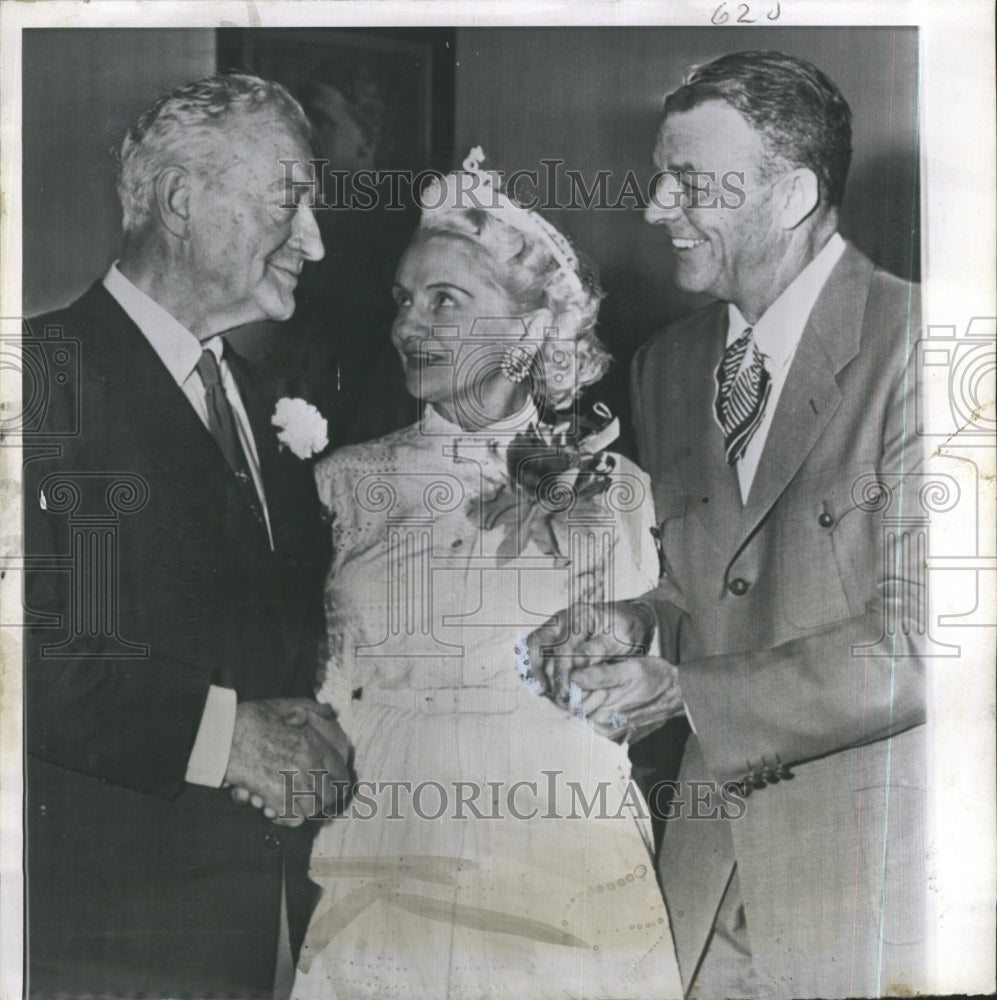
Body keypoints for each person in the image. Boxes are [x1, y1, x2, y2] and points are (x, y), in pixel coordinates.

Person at [528, 51, 927, 998]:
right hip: (701, 883)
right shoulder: (667, 365)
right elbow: (705, 591)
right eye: (658, 178)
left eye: (690, 183)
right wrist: (634, 623)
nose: (655, 207)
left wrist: (687, 697)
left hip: (872, 896)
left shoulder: (926, 345)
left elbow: (924, 642)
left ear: (789, 195)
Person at [291, 150, 683, 1000]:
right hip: (383, 857)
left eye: (445, 301)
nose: (408, 325)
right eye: (403, 300)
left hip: (560, 869)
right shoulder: (338, 484)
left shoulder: (617, 493)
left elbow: (653, 685)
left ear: (531, 328)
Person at [23, 74, 350, 997]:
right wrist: (226, 739)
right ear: (179, 201)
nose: (316, 243)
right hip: (90, 939)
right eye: (291, 201)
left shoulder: (253, 404)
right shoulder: (41, 381)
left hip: (244, 936)